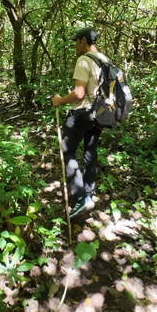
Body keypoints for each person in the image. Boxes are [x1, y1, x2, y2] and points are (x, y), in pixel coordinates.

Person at [52, 27, 108, 218]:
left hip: (82, 113)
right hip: (99, 114)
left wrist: (60, 100)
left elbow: (79, 93)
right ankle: (89, 194)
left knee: (67, 151)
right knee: (90, 151)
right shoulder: (104, 60)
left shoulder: (84, 60)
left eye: (76, 41)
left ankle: (80, 198)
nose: (75, 45)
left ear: (83, 40)